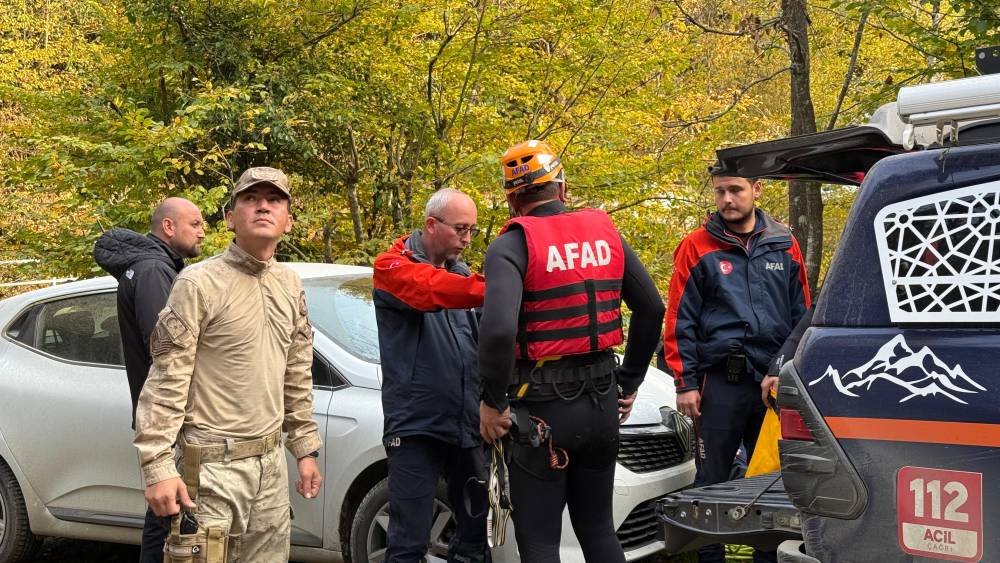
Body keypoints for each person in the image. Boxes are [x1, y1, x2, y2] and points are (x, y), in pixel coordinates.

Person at [478, 140, 665, 563]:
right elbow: (652, 308)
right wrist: (630, 380)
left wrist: (491, 403)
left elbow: (498, 332)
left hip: (542, 414)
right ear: (561, 188)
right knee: (598, 530)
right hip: (601, 405)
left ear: (511, 198)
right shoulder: (604, 232)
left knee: (541, 541)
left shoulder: (511, 245)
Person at [134, 166, 323, 562]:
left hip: (269, 469)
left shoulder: (290, 284)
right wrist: (157, 465)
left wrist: (304, 449)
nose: (263, 207)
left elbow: (296, 372)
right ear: (230, 218)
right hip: (210, 472)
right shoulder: (199, 283)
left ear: (288, 221)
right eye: (250, 199)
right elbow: (167, 377)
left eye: (274, 200)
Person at [663, 170, 811, 563]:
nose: (727, 199)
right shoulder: (696, 246)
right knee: (710, 483)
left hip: (772, 382)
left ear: (756, 190)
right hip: (719, 385)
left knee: (772, 481)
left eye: (736, 190)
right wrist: (685, 383)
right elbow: (679, 319)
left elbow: (803, 315)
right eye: (720, 192)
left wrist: (788, 368)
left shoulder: (783, 241)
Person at [372, 188, 489, 563]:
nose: (467, 239)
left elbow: (485, 341)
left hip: (467, 425)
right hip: (416, 427)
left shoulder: (462, 273)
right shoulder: (391, 265)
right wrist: (499, 286)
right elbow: (429, 290)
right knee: (408, 542)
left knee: (473, 538)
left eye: (472, 230)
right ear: (431, 225)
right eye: (460, 229)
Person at [93, 197, 205, 563]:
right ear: (168, 227)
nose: (202, 232)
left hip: (161, 415)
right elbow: (169, 350)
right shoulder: (155, 271)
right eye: (196, 224)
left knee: (166, 516)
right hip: (168, 417)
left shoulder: (146, 267)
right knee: (169, 521)